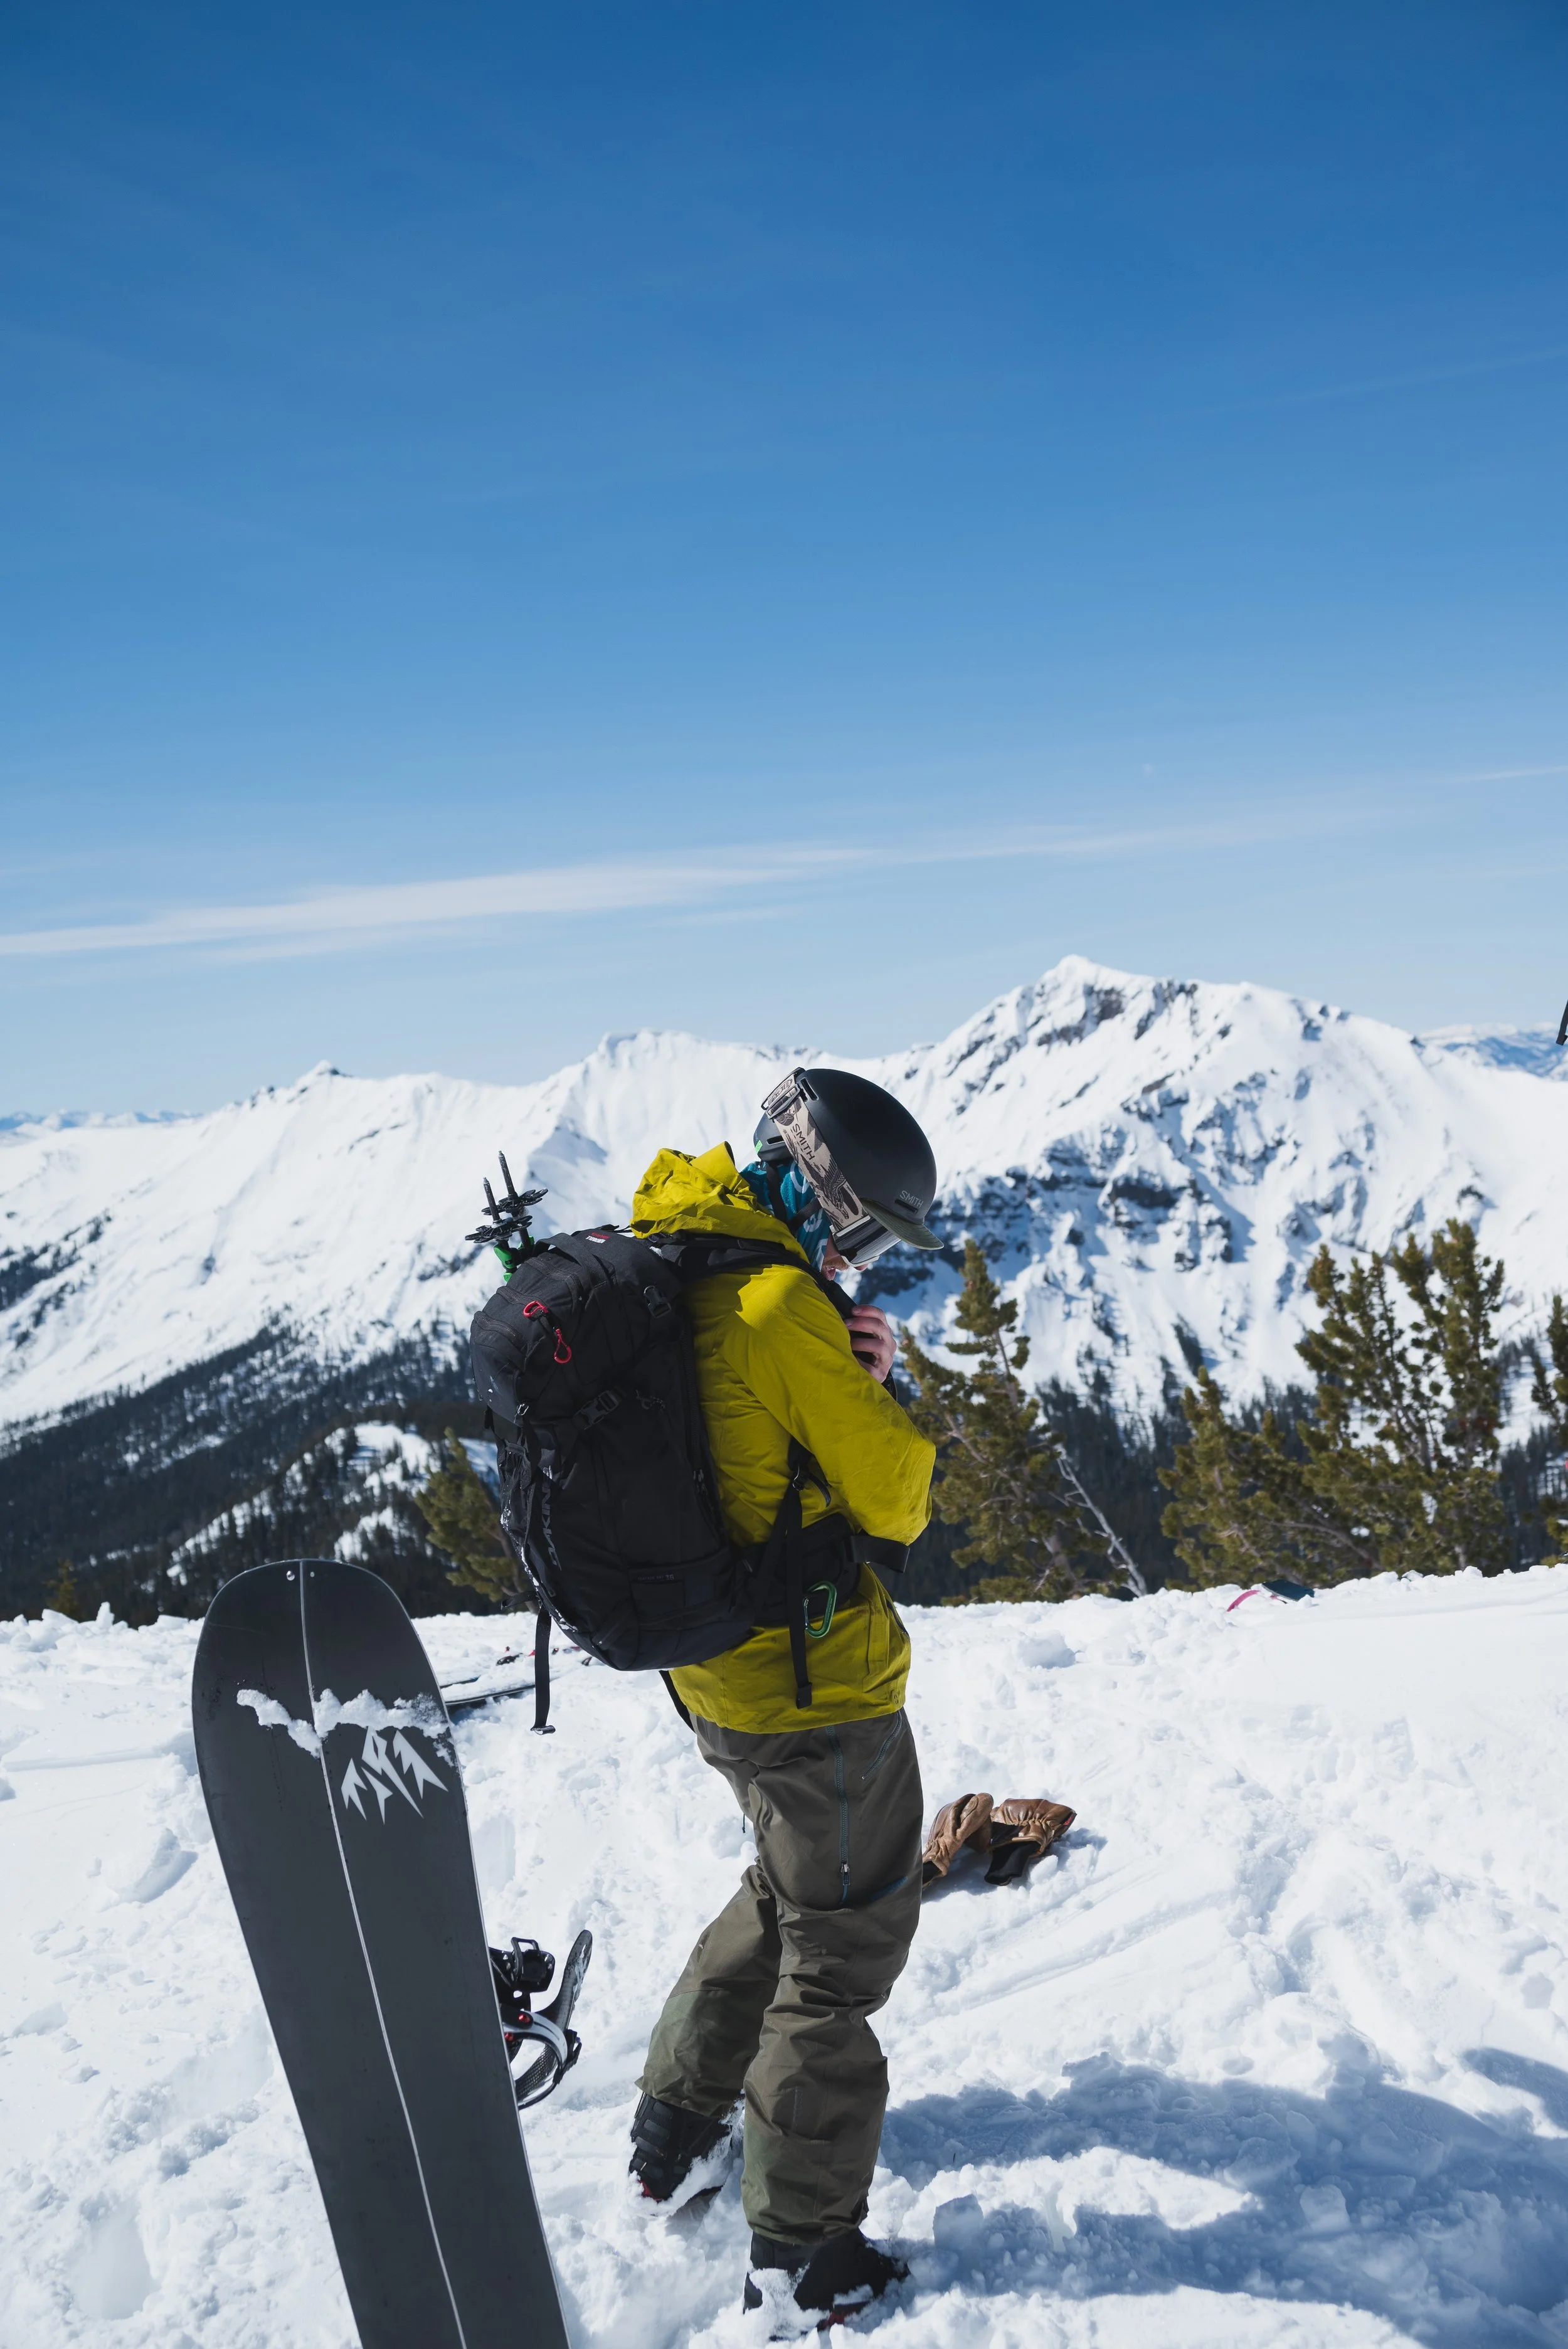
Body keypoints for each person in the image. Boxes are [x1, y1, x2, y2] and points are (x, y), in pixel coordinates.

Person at [625, 1066, 942, 2328]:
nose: (860, 1252)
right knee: (844, 1946)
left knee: (790, 1891)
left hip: (716, 1674)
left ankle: (676, 2125)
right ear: (835, 1199)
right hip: (817, 1689)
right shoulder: (773, 1305)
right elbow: (897, 1495)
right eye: (864, 1225)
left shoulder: (680, 1256)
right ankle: (803, 2254)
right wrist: (865, 1378)